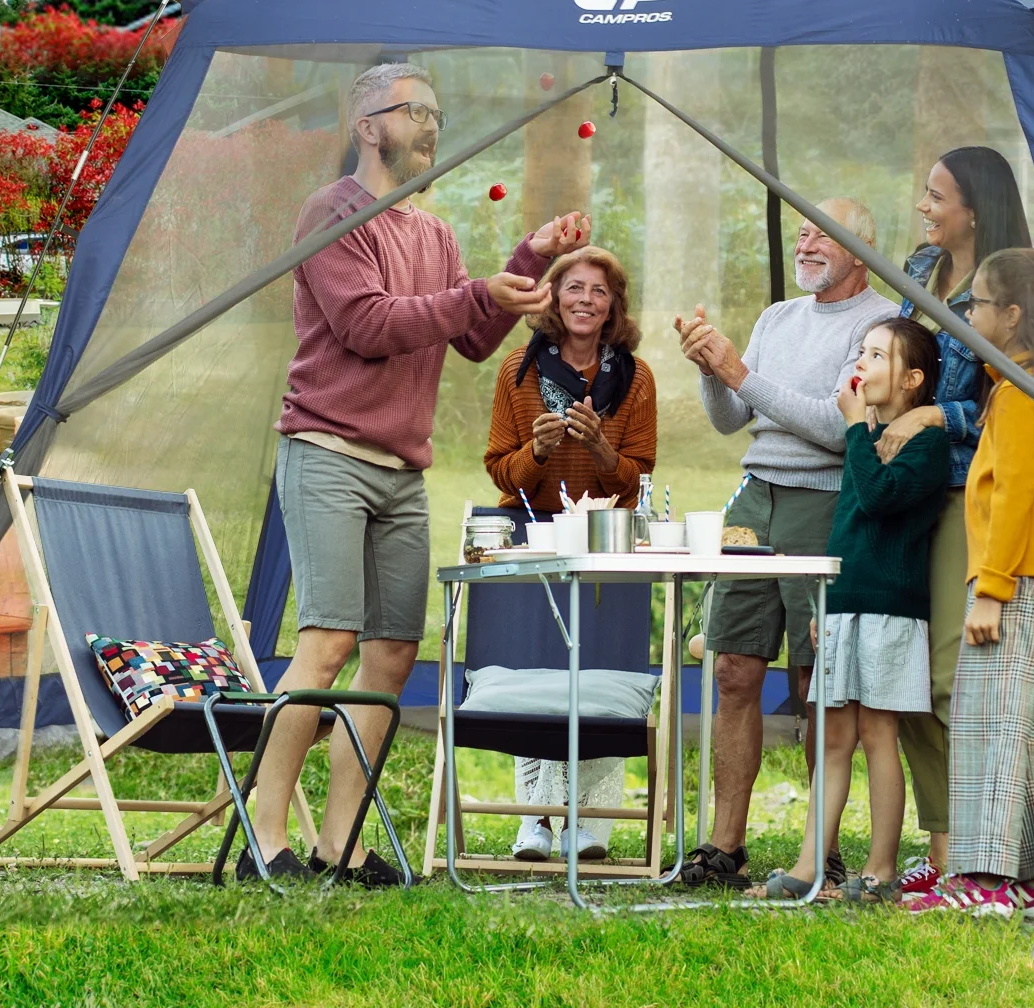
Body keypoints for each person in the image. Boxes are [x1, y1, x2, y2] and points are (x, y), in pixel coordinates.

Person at [248, 62, 589, 887]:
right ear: (370, 125)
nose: (432, 126)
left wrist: (528, 258)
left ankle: (339, 842)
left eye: (438, 111)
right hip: (328, 451)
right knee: (328, 641)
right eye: (416, 112)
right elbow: (368, 325)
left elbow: (467, 338)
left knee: (394, 655)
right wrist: (479, 290)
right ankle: (264, 832)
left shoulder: (432, 234)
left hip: (401, 470)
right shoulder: (331, 214)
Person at [673, 201, 897, 890]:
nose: (804, 241)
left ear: (861, 248)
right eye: (800, 230)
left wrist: (740, 374)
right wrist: (712, 367)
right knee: (733, 668)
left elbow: (838, 428)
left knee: (813, 681)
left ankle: (819, 855)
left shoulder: (880, 324)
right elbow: (731, 420)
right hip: (755, 494)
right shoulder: (777, 317)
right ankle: (724, 847)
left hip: (826, 499)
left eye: (820, 232)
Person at [905, 248, 1034, 919]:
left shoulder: (1016, 396)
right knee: (1032, 730)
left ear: (1012, 316)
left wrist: (989, 588)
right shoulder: (1032, 385)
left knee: (989, 728)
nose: (969, 312)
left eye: (978, 302)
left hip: (1012, 584)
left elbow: (1010, 500)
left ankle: (983, 877)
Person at [874, 146, 1031, 896]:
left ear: (974, 206)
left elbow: (1022, 398)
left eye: (936, 196)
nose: (924, 208)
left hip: (960, 494)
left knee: (943, 679)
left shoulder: (1005, 286)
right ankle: (943, 851)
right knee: (903, 677)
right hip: (905, 488)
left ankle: (973, 852)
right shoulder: (918, 269)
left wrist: (938, 411)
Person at [753, 318, 950, 901]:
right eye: (860, 351)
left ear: (913, 379)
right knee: (831, 735)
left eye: (877, 355)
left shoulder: (926, 443)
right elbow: (847, 526)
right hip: (843, 605)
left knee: (876, 733)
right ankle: (810, 864)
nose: (861, 363)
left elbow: (879, 497)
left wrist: (853, 430)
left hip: (891, 611)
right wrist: (826, 598)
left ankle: (880, 869)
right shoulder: (863, 435)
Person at [483, 245, 657, 862]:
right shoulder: (516, 371)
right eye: (574, 288)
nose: (586, 300)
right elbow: (502, 474)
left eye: (599, 291)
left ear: (615, 307)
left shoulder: (635, 377)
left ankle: (593, 823)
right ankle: (534, 819)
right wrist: (539, 452)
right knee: (537, 672)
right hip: (537, 535)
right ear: (553, 298)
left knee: (603, 674)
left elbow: (638, 476)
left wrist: (605, 455)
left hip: (608, 543)